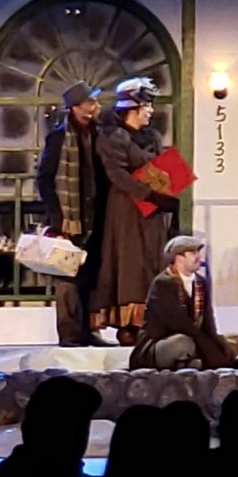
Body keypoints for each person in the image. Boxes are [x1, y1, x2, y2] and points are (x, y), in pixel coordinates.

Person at [94, 77, 177, 340]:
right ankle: (127, 323)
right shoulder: (113, 137)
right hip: (126, 209)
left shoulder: (152, 137)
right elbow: (117, 174)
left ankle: (150, 319)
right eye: (146, 106)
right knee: (129, 264)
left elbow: (161, 167)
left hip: (151, 211)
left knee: (152, 261)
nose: (151, 110)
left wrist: (166, 193)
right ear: (132, 108)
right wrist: (149, 193)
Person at [35, 81, 112, 345]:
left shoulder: (98, 133)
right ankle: (70, 335)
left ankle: (89, 331)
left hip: (95, 216)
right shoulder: (59, 137)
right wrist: (57, 217)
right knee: (67, 277)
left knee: (90, 276)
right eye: (90, 102)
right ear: (76, 107)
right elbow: (45, 179)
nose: (95, 106)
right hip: (70, 218)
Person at [131, 235, 237, 370]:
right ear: (178, 257)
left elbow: (207, 319)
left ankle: (192, 362)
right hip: (164, 343)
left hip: (197, 338)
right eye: (193, 253)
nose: (198, 256)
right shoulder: (163, 283)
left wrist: (217, 341)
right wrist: (210, 347)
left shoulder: (201, 282)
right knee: (183, 343)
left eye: (198, 252)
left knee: (234, 339)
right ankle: (196, 361)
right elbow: (179, 323)